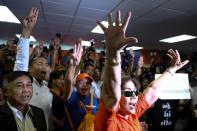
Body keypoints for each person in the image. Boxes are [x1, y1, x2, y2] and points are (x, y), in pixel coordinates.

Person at [94, 10, 189, 131]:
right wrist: (113, 53)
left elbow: (152, 90)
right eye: (128, 93)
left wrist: (171, 70)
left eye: (135, 92)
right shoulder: (108, 120)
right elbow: (113, 92)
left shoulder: (131, 114)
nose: (134, 96)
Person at [13, 7, 53, 130]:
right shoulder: (26, 84)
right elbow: (21, 62)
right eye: (40, 63)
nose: (44, 66)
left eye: (47, 64)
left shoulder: (47, 87)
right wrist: (26, 31)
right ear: (30, 68)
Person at [64, 42, 98, 131]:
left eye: (87, 83)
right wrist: (73, 65)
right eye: (81, 82)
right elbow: (68, 81)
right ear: (75, 85)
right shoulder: (73, 97)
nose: (85, 85)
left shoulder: (94, 99)